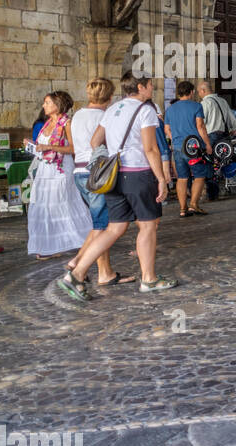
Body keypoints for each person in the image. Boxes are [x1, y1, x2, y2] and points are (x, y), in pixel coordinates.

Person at [57, 73, 176, 301]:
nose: (152, 89)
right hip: (138, 174)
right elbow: (150, 149)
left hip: (113, 177)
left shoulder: (112, 110)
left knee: (114, 228)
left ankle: (77, 274)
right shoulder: (145, 110)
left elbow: (95, 141)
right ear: (140, 87)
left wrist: (108, 155)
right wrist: (161, 178)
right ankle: (149, 279)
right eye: (150, 85)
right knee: (148, 226)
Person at [67, 79, 128, 285]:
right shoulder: (106, 116)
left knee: (99, 222)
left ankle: (105, 272)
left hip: (78, 171)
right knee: (103, 226)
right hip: (98, 174)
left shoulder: (77, 116)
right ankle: (79, 262)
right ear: (110, 97)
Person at [26, 90, 93, 260]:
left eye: (47, 102)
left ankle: (87, 239)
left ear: (58, 105)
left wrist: (49, 148)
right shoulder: (47, 123)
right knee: (44, 205)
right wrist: (33, 145)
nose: (44, 106)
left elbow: (73, 148)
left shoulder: (67, 124)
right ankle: (49, 245)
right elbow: (44, 146)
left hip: (61, 169)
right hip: (44, 169)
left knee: (62, 204)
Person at [165, 81, 212, 217]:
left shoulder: (170, 109)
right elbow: (200, 127)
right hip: (193, 147)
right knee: (199, 175)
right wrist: (208, 144)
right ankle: (193, 205)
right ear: (191, 92)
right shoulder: (196, 106)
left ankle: (182, 209)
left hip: (178, 147)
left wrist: (176, 139)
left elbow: (167, 129)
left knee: (182, 177)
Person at [197, 81, 236, 200]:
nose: (199, 94)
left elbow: (202, 123)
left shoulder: (205, 103)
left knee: (208, 163)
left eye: (199, 91)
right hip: (224, 136)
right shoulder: (223, 101)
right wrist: (232, 129)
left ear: (203, 91)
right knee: (221, 162)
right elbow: (231, 120)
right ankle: (222, 185)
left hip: (211, 136)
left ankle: (212, 193)